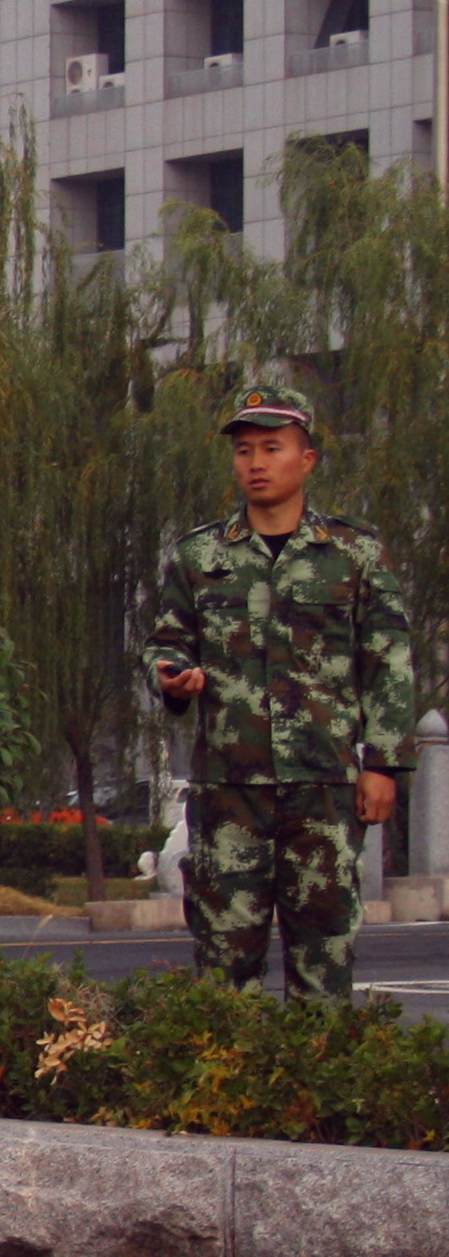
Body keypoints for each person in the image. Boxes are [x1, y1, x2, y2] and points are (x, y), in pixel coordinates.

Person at [140, 383, 416, 1001]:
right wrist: (172, 677)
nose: (256, 463)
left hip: (323, 786)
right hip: (230, 792)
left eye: (271, 447)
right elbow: (166, 642)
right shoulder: (200, 555)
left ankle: (318, 1097)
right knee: (223, 967)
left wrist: (386, 764)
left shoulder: (353, 553)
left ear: (307, 458)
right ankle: (224, 1093)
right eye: (244, 451)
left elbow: (389, 661)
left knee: (324, 961)